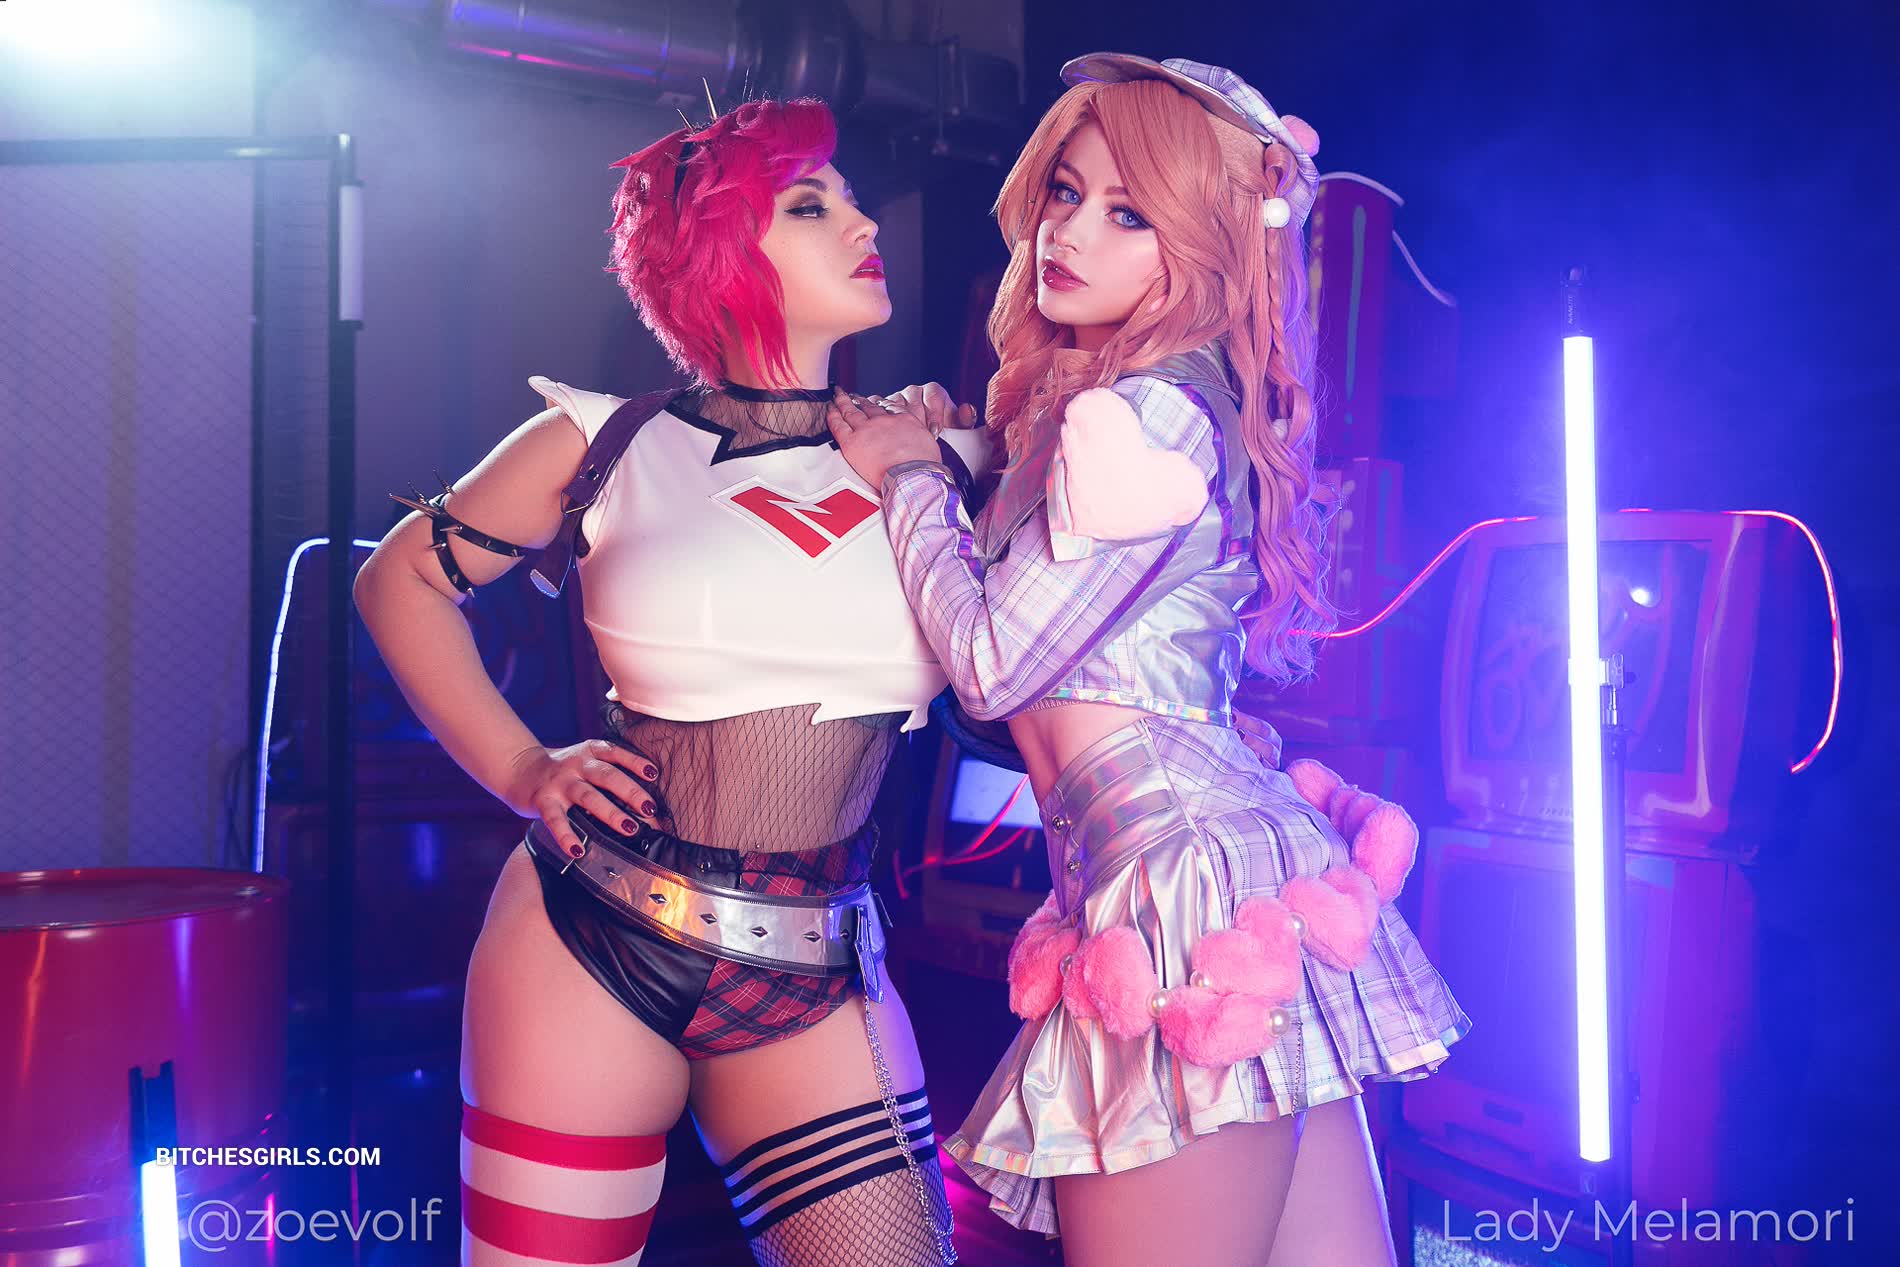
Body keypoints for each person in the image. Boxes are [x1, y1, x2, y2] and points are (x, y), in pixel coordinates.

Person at [829, 55, 1470, 1267]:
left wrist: (908, 478)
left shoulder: (1145, 416)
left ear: (1205, 246)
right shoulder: (1117, 402)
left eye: (1130, 214)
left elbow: (993, 663)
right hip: (1207, 870)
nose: (1069, 233)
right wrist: (950, 452)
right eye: (1068, 193)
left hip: (1180, 896)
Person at [354, 97, 987, 1267]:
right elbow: (399, 581)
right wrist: (522, 765)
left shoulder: (941, 458)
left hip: (815, 963)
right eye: (812, 206)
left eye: (851, 200)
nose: (862, 223)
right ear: (722, 250)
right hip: (587, 936)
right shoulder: (603, 438)